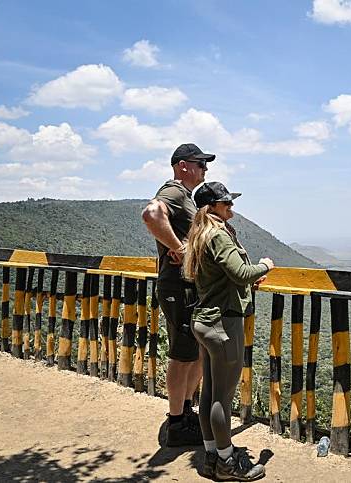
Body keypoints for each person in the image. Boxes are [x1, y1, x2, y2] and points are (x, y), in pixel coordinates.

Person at [184, 181, 274, 481]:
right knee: (222, 396)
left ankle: (212, 456)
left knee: (210, 392)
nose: (231, 209)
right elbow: (240, 272)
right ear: (212, 208)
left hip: (204, 321)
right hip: (223, 324)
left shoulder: (199, 235)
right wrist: (264, 266)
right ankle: (227, 462)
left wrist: (245, 280)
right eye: (227, 204)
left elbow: (225, 278)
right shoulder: (218, 235)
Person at [142, 143, 215, 446]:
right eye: (201, 164)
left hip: (188, 287)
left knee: (195, 352)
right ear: (183, 165)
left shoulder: (186, 196)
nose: (205, 170)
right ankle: (176, 423)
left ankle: (184, 413)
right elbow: (150, 214)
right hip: (177, 287)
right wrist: (178, 247)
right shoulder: (172, 191)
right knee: (181, 355)